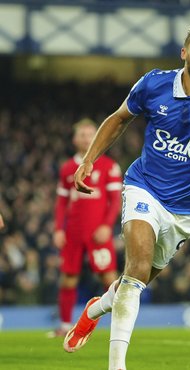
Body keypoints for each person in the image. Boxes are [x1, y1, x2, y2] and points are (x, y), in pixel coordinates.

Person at [62, 23, 190, 370]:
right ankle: (117, 365)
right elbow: (119, 118)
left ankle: (94, 310)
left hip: (186, 212)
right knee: (135, 271)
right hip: (144, 186)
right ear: (184, 52)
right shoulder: (153, 83)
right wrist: (89, 159)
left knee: (132, 286)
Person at [49, 119, 122, 338]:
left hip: (97, 232)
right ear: (74, 139)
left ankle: (121, 325)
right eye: (82, 134)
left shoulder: (109, 165)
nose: (87, 138)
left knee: (109, 278)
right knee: (68, 277)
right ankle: (64, 325)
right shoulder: (68, 168)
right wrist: (58, 229)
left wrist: (106, 226)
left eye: (91, 134)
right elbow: (61, 202)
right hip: (73, 232)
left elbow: (115, 200)